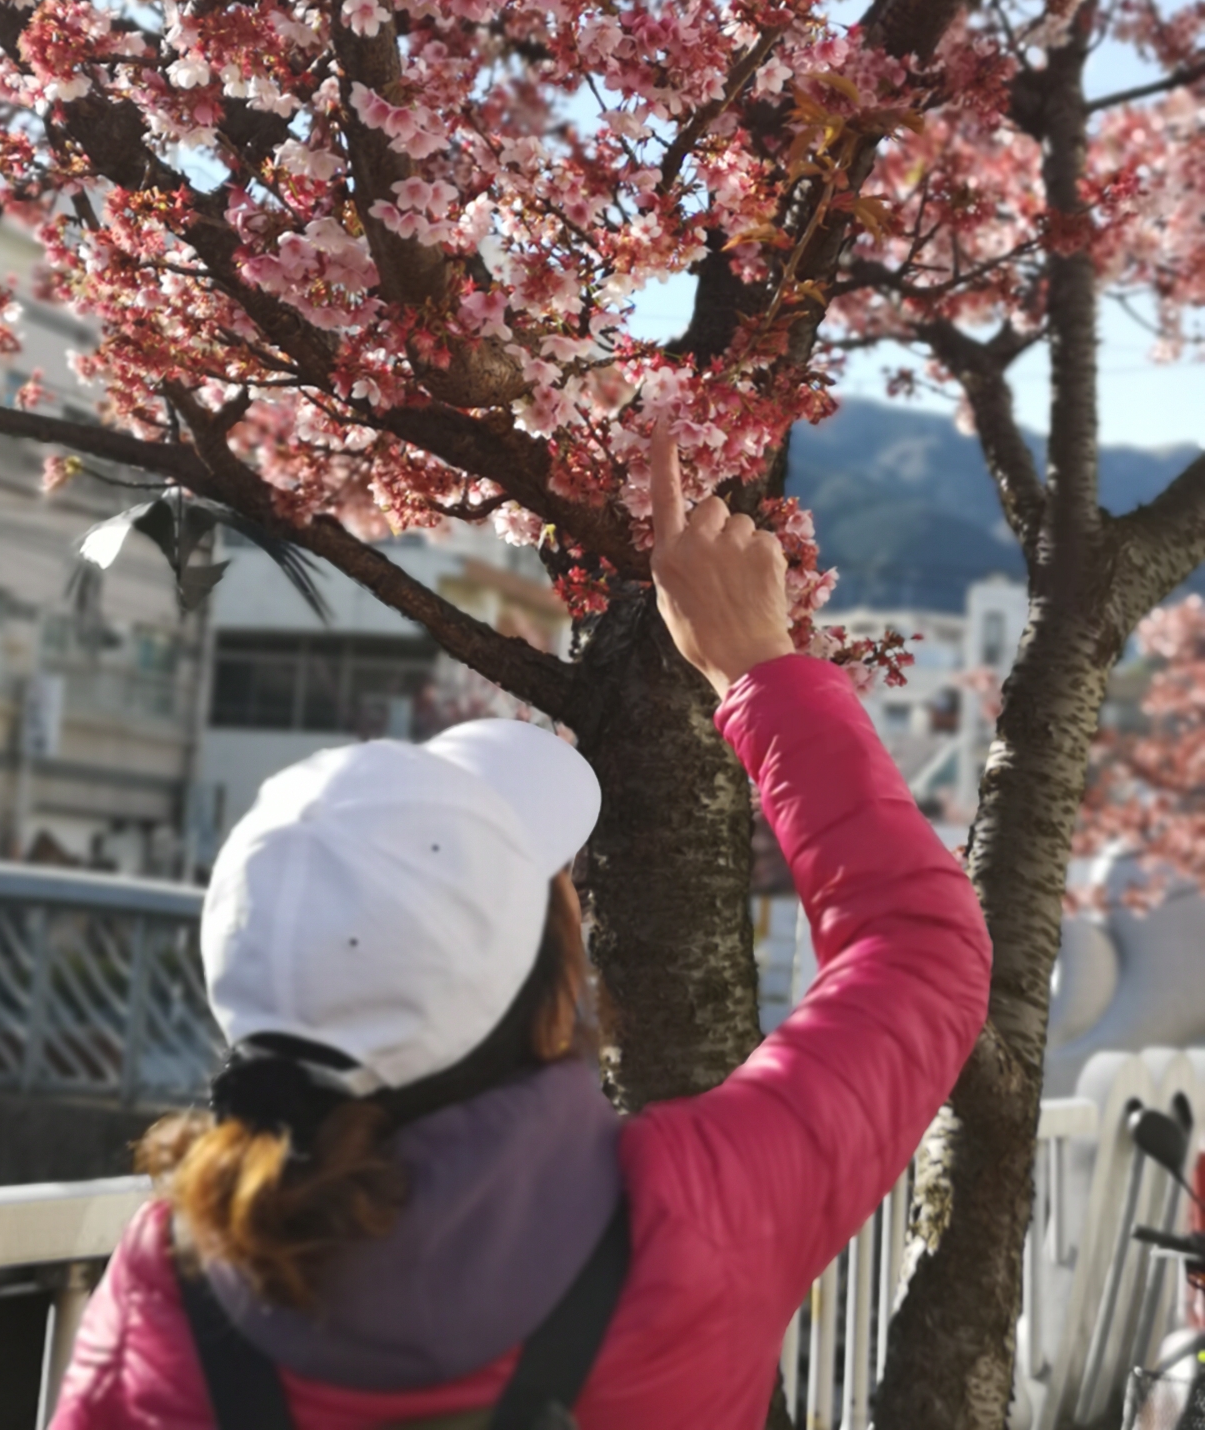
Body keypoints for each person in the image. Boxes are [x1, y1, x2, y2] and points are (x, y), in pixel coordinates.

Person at [51, 427, 992, 1429]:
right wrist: (756, 667)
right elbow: (921, 951)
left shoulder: (176, 1283)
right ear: (544, 981)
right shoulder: (698, 1212)